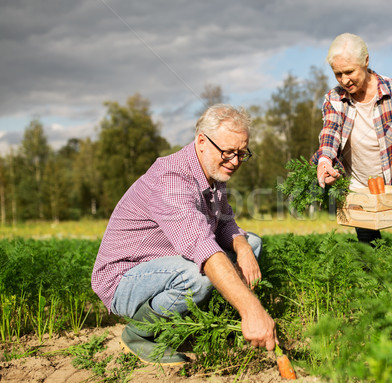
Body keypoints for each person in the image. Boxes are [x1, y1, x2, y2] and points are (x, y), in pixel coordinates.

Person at [92, 104, 278, 365]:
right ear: (202, 141)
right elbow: (203, 248)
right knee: (197, 277)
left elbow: (225, 224)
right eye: (227, 152)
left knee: (251, 242)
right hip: (126, 278)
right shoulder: (171, 179)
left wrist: (243, 248)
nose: (235, 162)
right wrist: (252, 310)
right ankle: (139, 335)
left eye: (241, 153)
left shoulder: (213, 172)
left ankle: (200, 324)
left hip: (166, 264)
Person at [312, 33, 392, 254]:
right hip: (359, 188)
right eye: (338, 74)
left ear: (366, 61)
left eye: (349, 72)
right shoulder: (334, 99)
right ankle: (376, 288)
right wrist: (325, 159)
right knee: (370, 254)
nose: (344, 80)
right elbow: (330, 131)